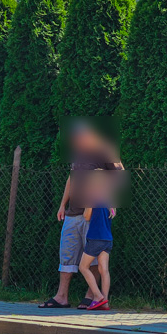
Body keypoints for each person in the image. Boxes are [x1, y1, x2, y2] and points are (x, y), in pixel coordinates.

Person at [39, 121, 121, 309]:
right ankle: (62, 297)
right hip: (72, 213)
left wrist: (107, 200)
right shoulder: (78, 153)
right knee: (66, 254)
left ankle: (92, 295)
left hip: (92, 215)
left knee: (92, 257)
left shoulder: (105, 150)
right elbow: (72, 178)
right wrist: (62, 204)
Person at [79, 203, 112, 310]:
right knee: (104, 269)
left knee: (83, 267)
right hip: (107, 238)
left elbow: (86, 217)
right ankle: (105, 302)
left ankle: (97, 295)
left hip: (95, 237)